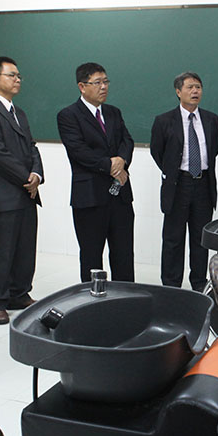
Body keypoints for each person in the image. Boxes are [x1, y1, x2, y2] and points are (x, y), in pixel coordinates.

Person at [0, 57, 44, 325]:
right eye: (11, 75)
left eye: (18, 76)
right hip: (3, 193)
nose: (17, 80)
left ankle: (19, 294)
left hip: (26, 191)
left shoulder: (18, 112)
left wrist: (37, 174)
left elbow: (31, 147)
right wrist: (26, 177)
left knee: (25, 248)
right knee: (0, 250)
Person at [57, 62, 134, 283]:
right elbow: (78, 151)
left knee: (124, 254)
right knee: (91, 256)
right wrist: (111, 166)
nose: (104, 87)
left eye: (106, 81)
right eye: (97, 82)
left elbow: (127, 141)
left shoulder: (113, 112)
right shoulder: (68, 115)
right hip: (89, 197)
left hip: (120, 195)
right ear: (82, 86)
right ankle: (93, 299)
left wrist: (122, 161)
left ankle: (125, 297)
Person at [151, 72, 218, 290]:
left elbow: (213, 150)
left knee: (201, 239)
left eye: (198, 87)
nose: (195, 91)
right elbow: (157, 152)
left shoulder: (211, 119)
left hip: (203, 184)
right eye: (190, 87)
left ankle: (199, 283)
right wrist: (173, 172)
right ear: (178, 91)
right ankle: (171, 286)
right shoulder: (164, 121)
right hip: (177, 185)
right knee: (173, 238)